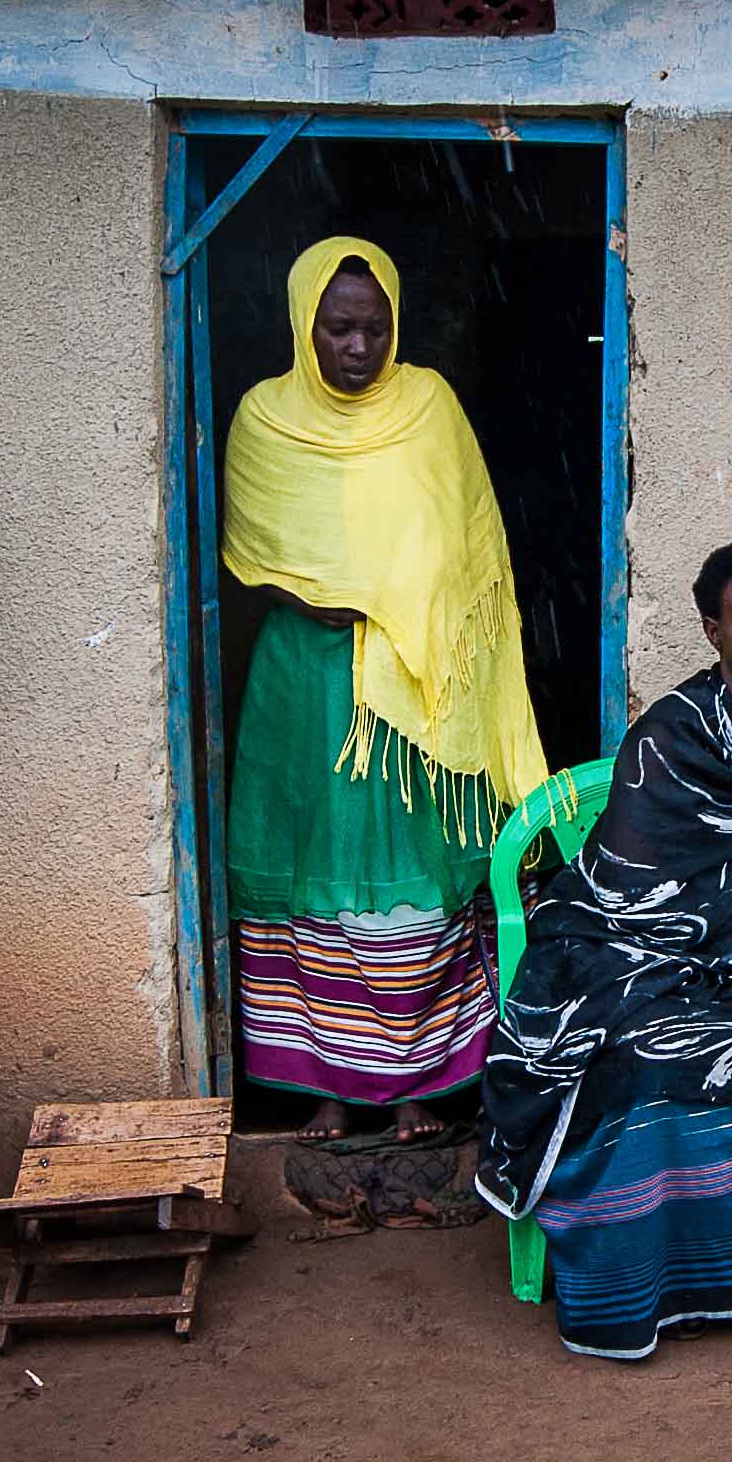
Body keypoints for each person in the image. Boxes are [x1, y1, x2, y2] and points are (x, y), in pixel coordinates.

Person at [479, 540, 732, 1360]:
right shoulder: (669, 733)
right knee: (646, 1054)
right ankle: (659, 1283)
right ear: (713, 630)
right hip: (615, 945)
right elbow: (632, 885)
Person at [220, 237, 550, 1145]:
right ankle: (325, 1090)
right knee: (312, 867)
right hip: (306, 680)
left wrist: (396, 600)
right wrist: (314, 591)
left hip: (416, 681)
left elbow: (463, 542)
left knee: (418, 871)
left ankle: (416, 1089)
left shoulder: (429, 405)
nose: (358, 347)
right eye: (338, 329)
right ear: (305, 325)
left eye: (375, 327)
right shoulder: (263, 419)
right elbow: (251, 553)